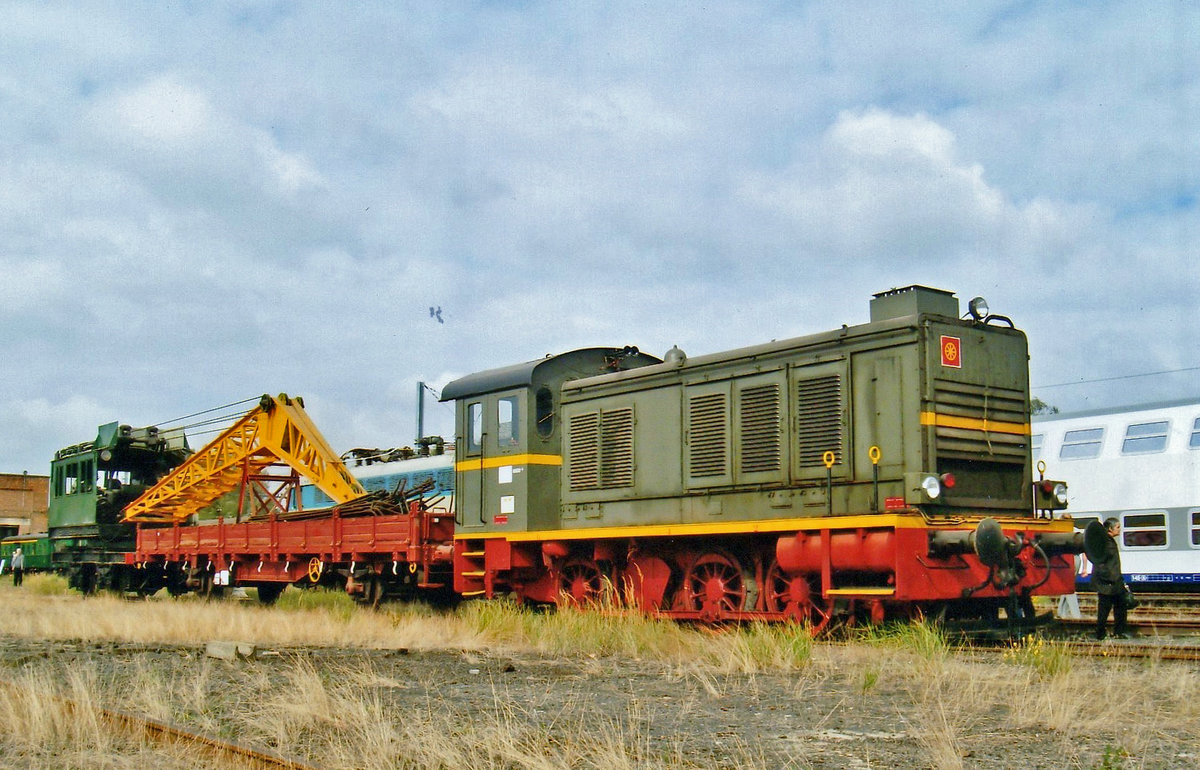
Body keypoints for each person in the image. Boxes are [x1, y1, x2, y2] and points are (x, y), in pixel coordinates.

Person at [1091, 518, 1130, 640]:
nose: (1120, 529)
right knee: (1104, 609)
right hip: (1107, 583)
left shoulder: (1109, 541)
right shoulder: (1104, 543)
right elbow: (1099, 563)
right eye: (1118, 527)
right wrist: (1108, 578)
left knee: (1120, 607)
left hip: (1115, 581)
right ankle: (1100, 634)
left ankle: (1117, 632)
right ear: (1110, 529)